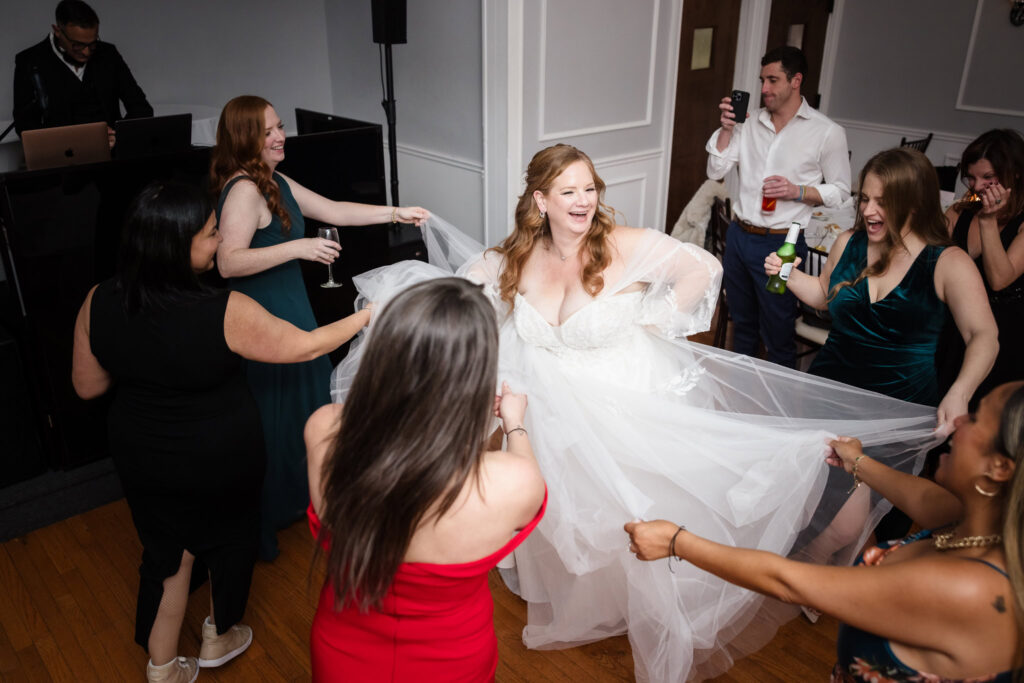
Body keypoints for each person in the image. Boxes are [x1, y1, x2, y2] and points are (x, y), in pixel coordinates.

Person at [329, 143, 944, 682]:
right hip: (549, 408)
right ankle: (590, 597)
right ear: (540, 200)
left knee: (632, 503)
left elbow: (698, 267)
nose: (583, 200)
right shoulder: (512, 258)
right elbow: (466, 294)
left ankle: (650, 596)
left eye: (590, 187)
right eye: (568, 190)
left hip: (624, 395)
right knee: (572, 513)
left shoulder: (623, 245)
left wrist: (655, 325)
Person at [71, 181, 371, 683]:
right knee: (230, 539)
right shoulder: (224, 310)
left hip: (141, 449)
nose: (220, 243)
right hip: (219, 448)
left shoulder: (97, 299)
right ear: (175, 245)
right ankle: (220, 634)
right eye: (212, 235)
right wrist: (368, 315)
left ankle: (161, 667)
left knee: (168, 553)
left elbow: (88, 386)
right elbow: (305, 346)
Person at [627, 380, 1024, 682]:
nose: (958, 420)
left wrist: (678, 541)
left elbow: (788, 582)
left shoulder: (972, 588)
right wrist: (858, 461)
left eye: (975, 417)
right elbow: (920, 497)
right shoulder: (975, 523)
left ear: (1001, 468)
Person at [210, 94, 429, 561]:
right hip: (264, 313)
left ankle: (307, 499)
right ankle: (274, 512)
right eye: (267, 131)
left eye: (279, 126)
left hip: (292, 305)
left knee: (305, 404)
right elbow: (227, 263)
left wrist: (395, 212)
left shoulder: (274, 180)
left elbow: (334, 210)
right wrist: (299, 249)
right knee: (276, 412)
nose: (279, 136)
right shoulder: (243, 189)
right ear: (244, 137)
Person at [305, 278, 546, 681]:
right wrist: (513, 425)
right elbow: (516, 490)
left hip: (344, 648)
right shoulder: (514, 482)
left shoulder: (325, 430)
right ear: (474, 377)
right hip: (453, 656)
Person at [766, 148, 998, 434]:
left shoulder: (948, 262)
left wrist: (960, 392)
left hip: (899, 411)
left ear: (915, 203)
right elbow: (824, 294)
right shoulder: (848, 242)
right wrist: (788, 275)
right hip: (827, 395)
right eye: (864, 199)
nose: (867, 211)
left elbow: (983, 336)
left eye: (882, 202)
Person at [706, 45, 851, 368]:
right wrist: (728, 129)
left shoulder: (827, 133)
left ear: (796, 80)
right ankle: (740, 401)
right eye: (762, 80)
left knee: (778, 333)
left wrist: (798, 191)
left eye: (772, 80)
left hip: (782, 244)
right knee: (742, 325)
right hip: (739, 237)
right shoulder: (748, 123)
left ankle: (779, 414)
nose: (764, 89)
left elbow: (842, 193)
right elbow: (715, 171)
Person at [938, 129, 1024, 408]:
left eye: (989, 178)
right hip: (951, 324)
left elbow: (1000, 279)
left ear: (1015, 174)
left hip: (1002, 335)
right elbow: (930, 257)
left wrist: (989, 221)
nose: (978, 187)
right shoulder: (961, 210)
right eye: (972, 178)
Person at [12, 0, 152, 146]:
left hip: (111, 159)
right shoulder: (30, 61)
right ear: (58, 31)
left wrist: (119, 136)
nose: (86, 52)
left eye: (92, 44)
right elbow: (24, 125)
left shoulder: (108, 54)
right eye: (77, 45)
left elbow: (141, 108)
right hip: (60, 161)